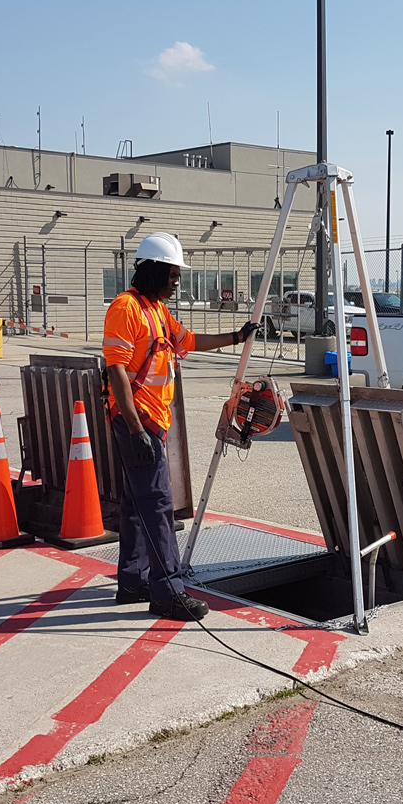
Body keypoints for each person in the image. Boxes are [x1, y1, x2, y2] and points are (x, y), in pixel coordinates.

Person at [103, 232, 256, 622]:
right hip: (137, 421)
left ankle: (132, 581)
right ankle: (168, 592)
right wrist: (136, 429)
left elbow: (189, 341)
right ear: (153, 271)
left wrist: (237, 337)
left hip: (150, 421)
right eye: (172, 275)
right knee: (157, 505)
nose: (176, 282)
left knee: (137, 504)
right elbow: (116, 370)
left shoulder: (157, 310)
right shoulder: (126, 308)